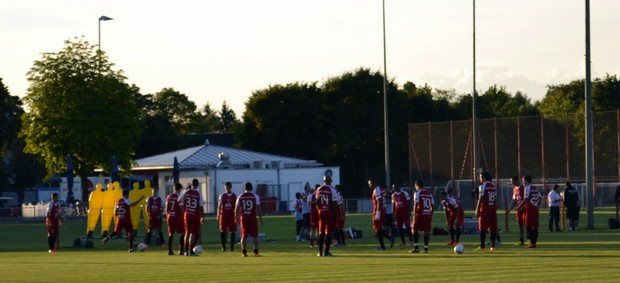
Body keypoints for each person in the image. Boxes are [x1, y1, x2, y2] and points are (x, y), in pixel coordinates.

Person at [235, 182, 264, 257]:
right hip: (252, 218)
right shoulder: (255, 196)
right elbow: (258, 208)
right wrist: (260, 218)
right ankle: (256, 252)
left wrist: (236, 218)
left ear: (244, 188)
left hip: (243, 218)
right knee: (255, 236)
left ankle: (244, 253)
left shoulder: (240, 196)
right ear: (252, 188)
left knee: (244, 236)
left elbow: (236, 208)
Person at [315, 175, 340, 257]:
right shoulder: (332, 189)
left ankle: (320, 252)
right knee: (328, 232)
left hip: (321, 212)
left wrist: (319, 211)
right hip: (329, 213)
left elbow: (317, 203)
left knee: (321, 232)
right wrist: (336, 216)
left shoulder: (319, 189)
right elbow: (334, 204)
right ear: (331, 180)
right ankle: (326, 252)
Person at [180, 178, 204, 256]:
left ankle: (185, 251)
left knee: (186, 233)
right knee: (193, 234)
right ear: (197, 185)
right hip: (195, 215)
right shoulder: (198, 193)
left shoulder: (186, 192)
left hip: (187, 215)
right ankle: (191, 251)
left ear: (191, 184)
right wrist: (202, 216)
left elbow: (179, 200)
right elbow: (200, 206)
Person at [475, 171, 498, 251]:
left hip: (485, 209)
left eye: (480, 177)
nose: (480, 178)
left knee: (483, 228)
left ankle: (482, 246)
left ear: (484, 178)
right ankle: (493, 246)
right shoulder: (493, 186)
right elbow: (495, 199)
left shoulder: (482, 186)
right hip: (493, 208)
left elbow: (481, 198)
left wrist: (477, 209)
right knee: (493, 228)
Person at [410, 179, 434, 254]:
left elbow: (416, 205)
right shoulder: (429, 194)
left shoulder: (417, 193)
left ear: (417, 186)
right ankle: (426, 249)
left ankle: (416, 247)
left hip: (420, 214)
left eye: (415, 186)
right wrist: (431, 214)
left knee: (414, 230)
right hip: (428, 215)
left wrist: (414, 215)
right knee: (426, 232)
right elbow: (433, 206)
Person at [518, 175, 541, 248]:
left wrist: (519, 206)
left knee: (528, 226)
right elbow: (540, 198)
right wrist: (537, 205)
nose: (522, 182)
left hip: (529, 210)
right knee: (535, 226)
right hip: (535, 209)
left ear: (526, 181)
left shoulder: (527, 188)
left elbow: (525, 199)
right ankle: (534, 243)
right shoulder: (535, 188)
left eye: (523, 180)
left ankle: (531, 243)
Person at [217, 181, 237, 252]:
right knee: (222, 230)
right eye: (226, 187)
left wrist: (237, 215)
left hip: (232, 215)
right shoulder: (222, 195)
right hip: (224, 215)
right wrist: (218, 215)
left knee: (232, 231)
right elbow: (219, 206)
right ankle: (223, 247)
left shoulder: (234, 195)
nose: (227, 188)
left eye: (228, 187)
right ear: (224, 187)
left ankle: (232, 247)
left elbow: (236, 206)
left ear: (231, 187)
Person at [166, 183, 185, 255]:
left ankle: (169, 251)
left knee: (171, 234)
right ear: (179, 189)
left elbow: (167, 208)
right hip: (177, 217)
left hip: (169, 217)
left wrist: (167, 216)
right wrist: (183, 217)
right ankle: (181, 250)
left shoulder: (169, 196)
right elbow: (181, 208)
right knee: (182, 233)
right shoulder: (179, 197)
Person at [507, 176, 526, 245]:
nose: (512, 183)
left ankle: (530, 239)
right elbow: (514, 200)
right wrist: (509, 209)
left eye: (513, 181)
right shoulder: (515, 189)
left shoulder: (523, 187)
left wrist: (522, 206)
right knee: (520, 224)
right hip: (518, 209)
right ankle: (522, 240)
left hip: (524, 209)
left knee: (526, 224)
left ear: (517, 180)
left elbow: (526, 198)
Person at [369, 179, 388, 250]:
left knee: (378, 229)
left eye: (370, 183)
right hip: (383, 209)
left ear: (374, 183)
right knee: (379, 228)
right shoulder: (381, 189)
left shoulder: (376, 190)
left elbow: (379, 201)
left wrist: (378, 212)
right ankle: (388, 238)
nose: (369, 185)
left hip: (379, 210)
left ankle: (382, 246)